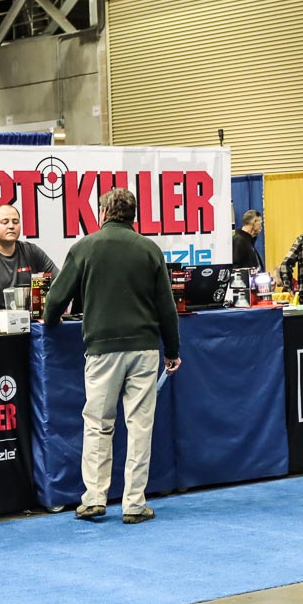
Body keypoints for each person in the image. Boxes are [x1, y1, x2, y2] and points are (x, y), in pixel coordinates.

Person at [43, 188, 181, 525]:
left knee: (98, 424)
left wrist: (51, 320)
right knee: (139, 426)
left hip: (102, 349)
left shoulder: (84, 247)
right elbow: (167, 307)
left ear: (103, 212)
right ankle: (134, 503)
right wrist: (172, 350)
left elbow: (55, 299)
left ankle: (94, 499)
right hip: (145, 349)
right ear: (134, 214)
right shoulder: (150, 250)